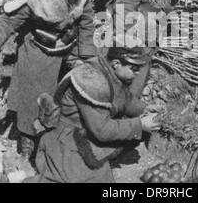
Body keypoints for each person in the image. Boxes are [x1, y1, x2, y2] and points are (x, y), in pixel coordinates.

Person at [0, 0, 96, 159]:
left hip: (70, 46)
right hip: (39, 48)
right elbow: (9, 21)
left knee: (75, 94)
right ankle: (28, 138)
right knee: (34, 97)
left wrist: (86, 56)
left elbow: (86, 24)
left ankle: (63, 138)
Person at [27, 45, 161, 183]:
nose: (138, 72)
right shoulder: (92, 82)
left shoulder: (107, 69)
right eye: (134, 68)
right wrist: (139, 124)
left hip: (85, 132)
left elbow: (124, 99)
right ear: (116, 64)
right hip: (67, 140)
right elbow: (102, 131)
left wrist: (144, 109)